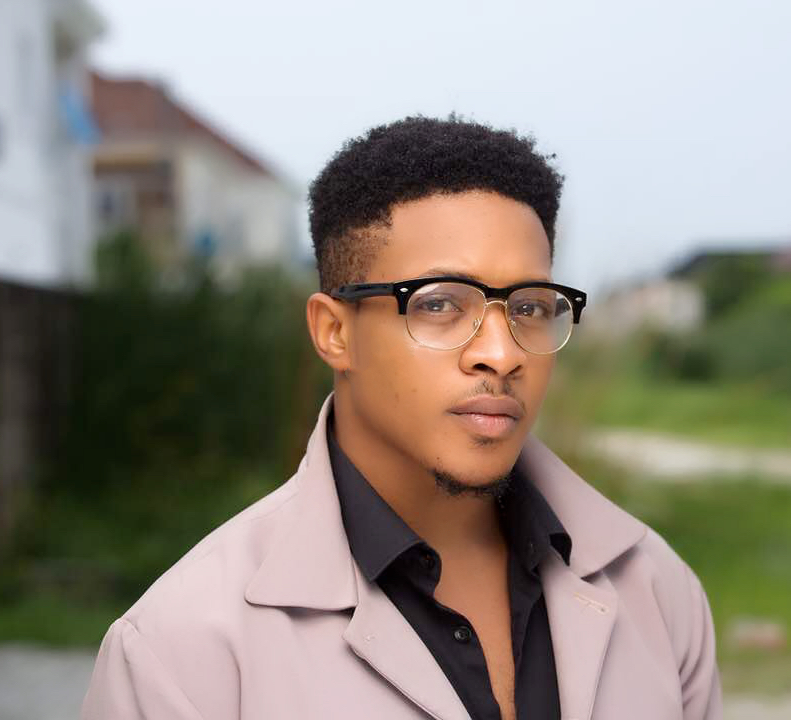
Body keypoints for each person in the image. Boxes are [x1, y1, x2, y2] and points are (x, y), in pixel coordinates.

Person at [81, 116, 722, 720]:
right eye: (440, 303)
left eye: (529, 308)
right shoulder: (180, 653)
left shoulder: (657, 592)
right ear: (334, 332)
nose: (502, 355)